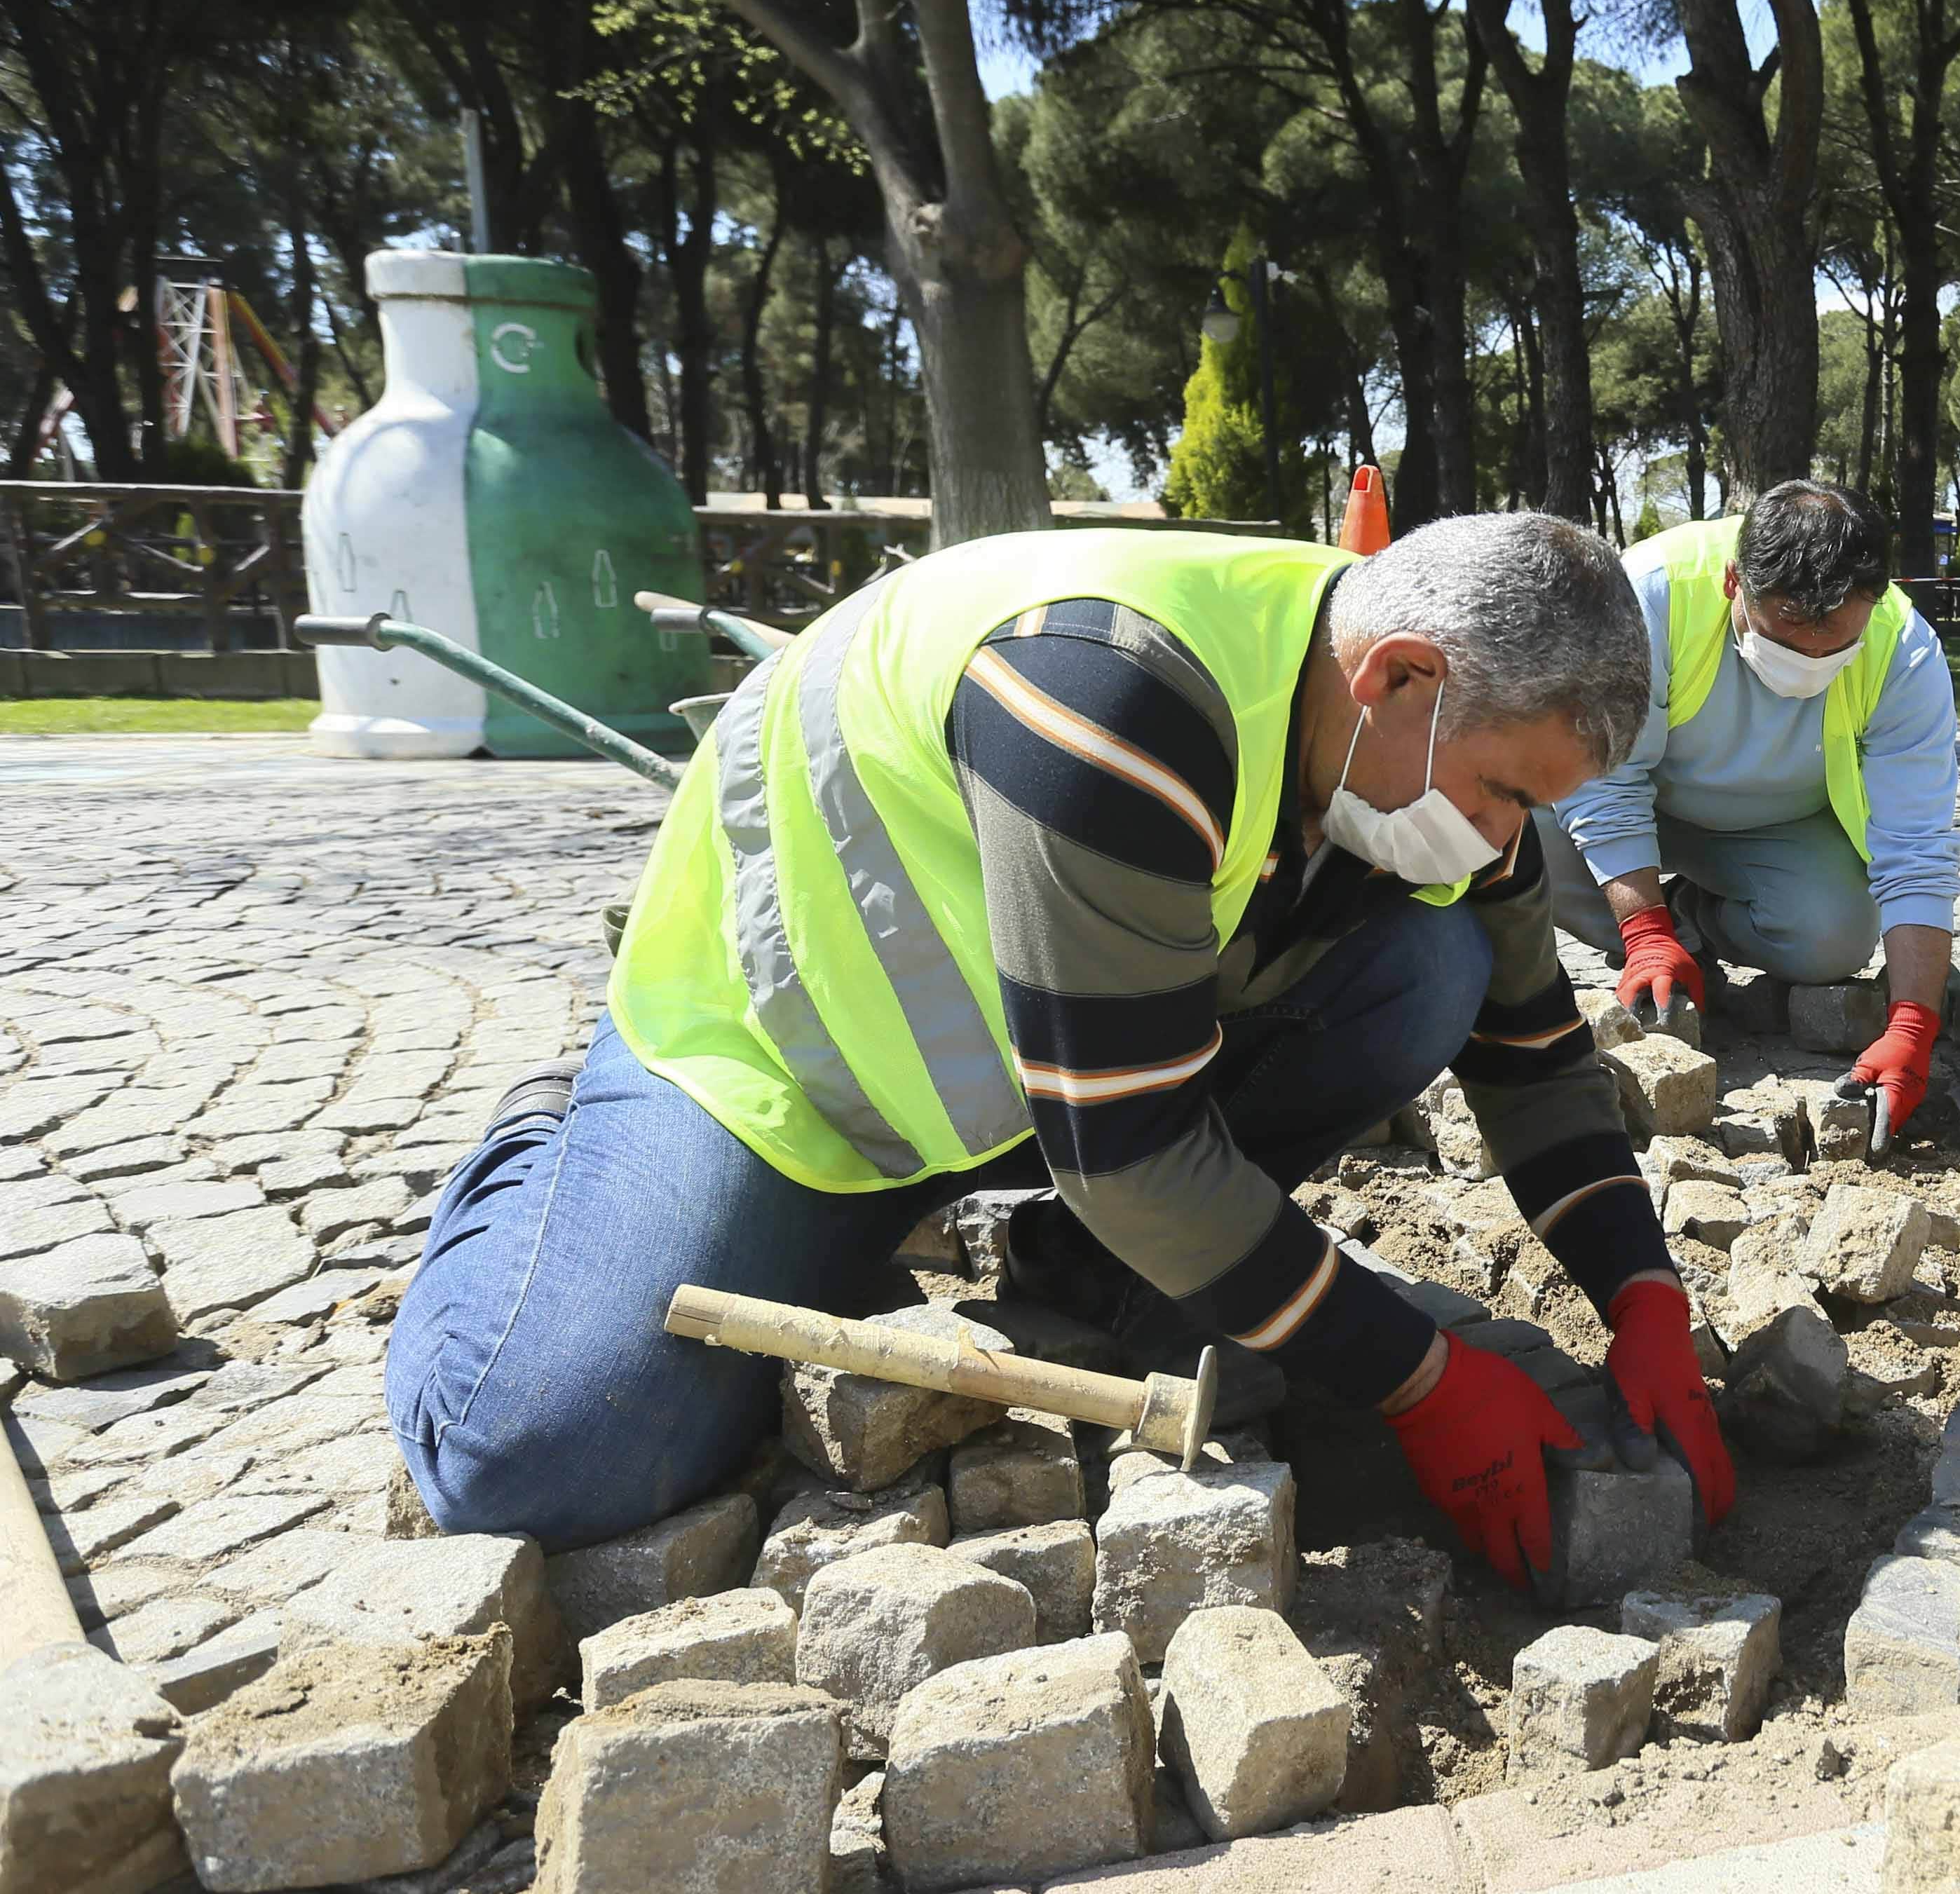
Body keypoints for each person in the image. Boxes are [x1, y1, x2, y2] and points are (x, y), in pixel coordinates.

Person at [389, 512, 1727, 1586]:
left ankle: (1082, 1270)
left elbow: (1534, 1054)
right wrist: (1425, 1382)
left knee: (1434, 961)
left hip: (1053, 1083)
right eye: (1504, 797)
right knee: (546, 1456)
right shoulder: (1105, 703)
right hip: (783, 1081)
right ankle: (552, 1142)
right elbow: (1134, 1148)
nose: (1506, 846)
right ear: (1400, 681)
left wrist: (1643, 1300)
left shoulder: (1404, 712)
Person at [1539, 480, 1960, 1143]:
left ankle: (1694, 925)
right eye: (1787, 637)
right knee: (1523, 836)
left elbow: (1917, 848)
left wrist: (1912, 1027)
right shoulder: (1650, 591)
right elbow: (1605, 778)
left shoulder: (1903, 649)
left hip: (1778, 829)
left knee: (1837, 936)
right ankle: (1659, 934)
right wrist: (1643, 932)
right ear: (1736, 581)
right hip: (1638, 795)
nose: (1809, 664)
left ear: (1873, 602)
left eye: (1834, 650)